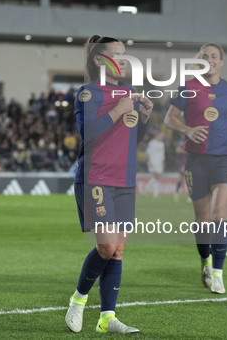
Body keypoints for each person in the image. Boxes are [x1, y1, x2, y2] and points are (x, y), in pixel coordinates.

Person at [65, 35, 152, 334]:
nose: (125, 59)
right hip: (96, 178)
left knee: (118, 251)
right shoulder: (88, 93)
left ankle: (107, 318)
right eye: (118, 54)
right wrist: (119, 109)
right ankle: (77, 301)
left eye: (125, 53)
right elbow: (89, 133)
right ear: (101, 60)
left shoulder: (128, 93)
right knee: (106, 247)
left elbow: (131, 138)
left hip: (125, 180)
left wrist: (144, 117)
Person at [164, 43, 227, 294]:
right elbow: (169, 118)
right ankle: (205, 261)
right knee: (202, 221)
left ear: (221, 62)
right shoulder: (188, 87)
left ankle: (218, 273)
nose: (210, 60)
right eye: (205, 57)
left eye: (214, 57)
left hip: (225, 158)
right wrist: (187, 130)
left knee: (220, 216)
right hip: (196, 160)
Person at [144, 131, 165, 197]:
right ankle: (150, 190)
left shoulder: (162, 144)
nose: (161, 137)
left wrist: (163, 163)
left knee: (157, 177)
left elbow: (162, 155)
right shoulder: (152, 142)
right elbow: (148, 152)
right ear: (157, 136)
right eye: (160, 136)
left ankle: (154, 193)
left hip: (159, 162)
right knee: (157, 176)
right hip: (153, 161)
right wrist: (149, 161)